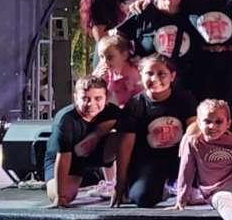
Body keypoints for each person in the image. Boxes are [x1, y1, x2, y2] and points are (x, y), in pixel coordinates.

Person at [112, 55, 198, 208]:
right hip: (149, 161)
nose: (155, 78)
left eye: (162, 74)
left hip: (180, 157)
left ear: (172, 76)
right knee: (142, 197)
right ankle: (163, 190)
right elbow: (125, 145)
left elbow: (194, 125)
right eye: (149, 73)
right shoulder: (135, 104)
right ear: (141, 74)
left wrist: (188, 137)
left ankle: (179, 185)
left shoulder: (185, 98)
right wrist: (120, 183)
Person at [46, 76, 122, 207]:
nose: (91, 104)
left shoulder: (113, 112)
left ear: (106, 97)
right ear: (75, 98)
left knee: (123, 137)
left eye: (98, 98)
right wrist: (60, 196)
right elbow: (63, 157)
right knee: (65, 196)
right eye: (85, 99)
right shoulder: (66, 120)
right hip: (66, 159)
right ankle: (56, 187)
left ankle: (113, 184)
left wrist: (99, 131)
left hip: (93, 154)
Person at [114, 0, 201, 79]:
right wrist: (128, 59)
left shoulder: (191, 14)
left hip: (185, 80)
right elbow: (119, 38)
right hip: (149, 81)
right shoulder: (143, 11)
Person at [93, 34, 141, 107]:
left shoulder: (130, 75)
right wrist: (98, 79)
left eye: (110, 57)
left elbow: (135, 99)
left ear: (124, 55)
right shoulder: (108, 70)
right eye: (101, 57)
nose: (105, 61)